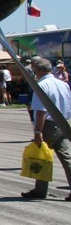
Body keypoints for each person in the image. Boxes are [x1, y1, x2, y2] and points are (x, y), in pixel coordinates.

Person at [20, 56, 71, 201]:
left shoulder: (41, 85)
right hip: (63, 122)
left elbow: (40, 111)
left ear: (38, 70)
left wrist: (37, 131)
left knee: (41, 157)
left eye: (34, 70)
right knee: (66, 158)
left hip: (48, 124)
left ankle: (40, 190)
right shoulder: (62, 84)